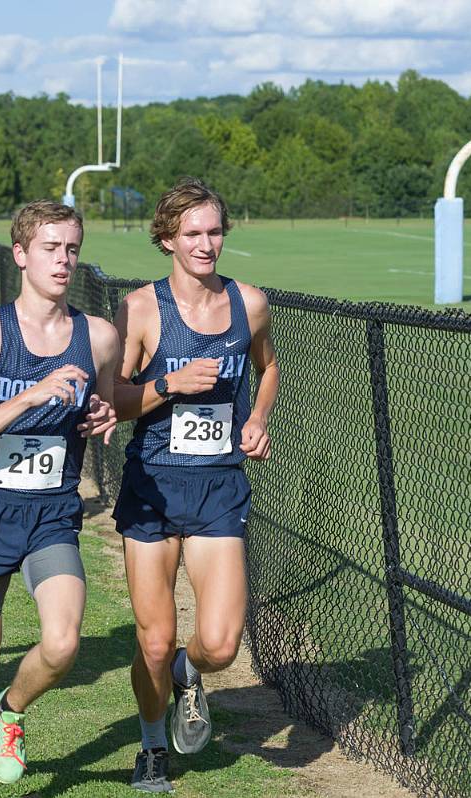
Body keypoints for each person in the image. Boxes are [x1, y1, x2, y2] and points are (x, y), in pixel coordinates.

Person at [0, 201, 119, 798]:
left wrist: (104, 415)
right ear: (21, 254)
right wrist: (29, 398)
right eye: (51, 248)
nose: (63, 260)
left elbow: (104, 408)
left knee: (62, 643)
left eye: (71, 249)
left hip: (52, 513)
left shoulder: (99, 336)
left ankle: (12, 711)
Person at [112, 177, 280, 793]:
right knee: (152, 642)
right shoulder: (139, 309)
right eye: (193, 234)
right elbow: (115, 398)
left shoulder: (250, 304)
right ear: (166, 239)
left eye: (214, 232)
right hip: (153, 485)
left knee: (220, 642)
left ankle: (191, 672)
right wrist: (168, 386)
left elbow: (268, 368)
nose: (206, 244)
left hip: (218, 488)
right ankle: (153, 747)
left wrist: (258, 418)